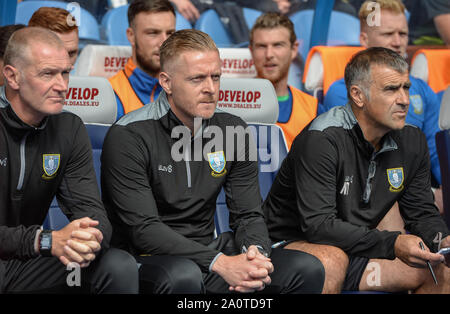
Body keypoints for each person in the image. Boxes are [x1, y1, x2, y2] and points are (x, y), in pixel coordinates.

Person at [101, 29, 325, 294]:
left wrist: (255, 254)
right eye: (197, 79)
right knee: (183, 276)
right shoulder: (129, 134)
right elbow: (144, 231)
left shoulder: (233, 130)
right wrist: (221, 263)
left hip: (210, 252)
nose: (210, 89)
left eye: (215, 77)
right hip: (148, 258)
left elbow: (248, 214)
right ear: (166, 82)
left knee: (306, 267)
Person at [264, 47, 450, 294]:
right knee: (331, 261)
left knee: (438, 271)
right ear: (358, 95)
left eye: (406, 87)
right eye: (391, 89)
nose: (404, 99)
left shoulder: (412, 141)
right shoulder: (321, 139)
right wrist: (392, 243)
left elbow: (421, 212)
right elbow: (319, 226)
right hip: (288, 248)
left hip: (355, 249)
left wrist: (442, 240)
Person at [0, 27, 138, 294]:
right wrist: (45, 240)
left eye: (65, 72)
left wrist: (88, 238)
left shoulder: (68, 127)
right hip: (25, 249)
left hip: (28, 262)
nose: (62, 86)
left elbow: (91, 211)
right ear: (12, 76)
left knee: (117, 265)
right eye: (48, 74)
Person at [323, 0, 443, 213]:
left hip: (417, 191)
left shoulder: (423, 90)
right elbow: (361, 158)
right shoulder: (344, 91)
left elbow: (436, 152)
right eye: (388, 34)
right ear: (364, 39)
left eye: (403, 34)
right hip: (364, 196)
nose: (397, 42)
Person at [249, 12, 319, 150]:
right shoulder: (231, 102)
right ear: (251, 51)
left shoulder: (313, 109)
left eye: (277, 45)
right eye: (261, 46)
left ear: (294, 49)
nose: (269, 54)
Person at [109, 0, 176, 120]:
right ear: (131, 36)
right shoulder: (112, 95)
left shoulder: (183, 89)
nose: (164, 43)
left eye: (170, 33)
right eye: (153, 33)